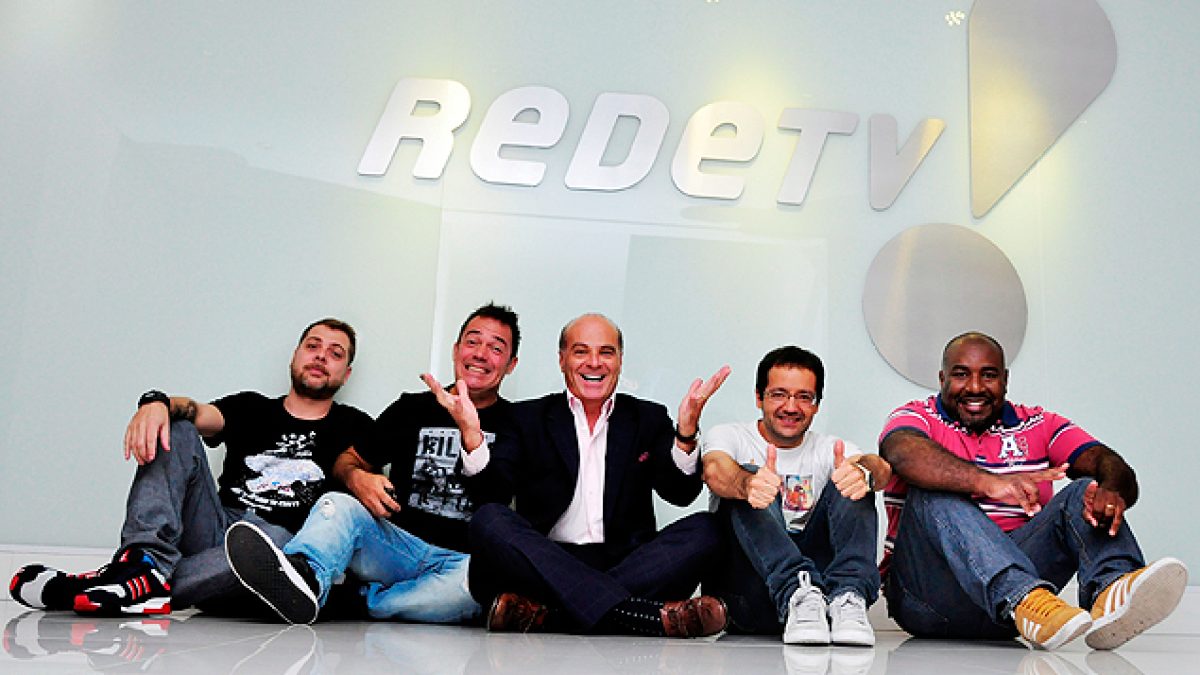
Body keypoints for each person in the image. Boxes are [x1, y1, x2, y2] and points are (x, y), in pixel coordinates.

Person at [9, 319, 373, 617]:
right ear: (295, 355)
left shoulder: (356, 426)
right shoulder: (251, 407)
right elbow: (196, 412)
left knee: (276, 545)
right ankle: (144, 562)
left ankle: (112, 586)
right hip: (217, 528)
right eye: (313, 346)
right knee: (178, 427)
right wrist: (156, 403)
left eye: (335, 353)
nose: (321, 356)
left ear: (346, 374)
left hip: (278, 549)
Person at [879, 331, 1188, 650]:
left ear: (1005, 380)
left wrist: (1111, 490)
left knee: (1084, 490)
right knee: (931, 490)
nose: (975, 387)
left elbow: (1105, 461)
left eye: (989, 375)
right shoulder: (917, 416)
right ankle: (1022, 597)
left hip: (1016, 612)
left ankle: (1112, 592)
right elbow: (902, 453)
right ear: (942, 379)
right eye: (961, 374)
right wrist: (990, 482)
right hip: (929, 602)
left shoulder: (1039, 424)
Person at [223, 303, 520, 625]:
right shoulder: (412, 408)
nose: (480, 354)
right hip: (395, 547)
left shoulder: (518, 424)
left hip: (460, 561)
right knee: (337, 503)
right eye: (472, 342)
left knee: (479, 587)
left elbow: (498, 499)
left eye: (496, 348)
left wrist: (470, 432)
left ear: (511, 365)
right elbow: (348, 461)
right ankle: (304, 578)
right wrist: (356, 478)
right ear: (456, 350)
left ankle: (357, 602)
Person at [457, 313, 731, 638]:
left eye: (606, 352)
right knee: (489, 519)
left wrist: (685, 434)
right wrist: (472, 439)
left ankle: (551, 616)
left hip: (628, 563)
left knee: (708, 528)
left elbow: (680, 493)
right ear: (562, 359)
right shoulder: (526, 417)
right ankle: (640, 615)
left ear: (620, 361)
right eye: (581, 351)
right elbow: (493, 495)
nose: (594, 362)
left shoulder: (647, 417)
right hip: (547, 561)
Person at [701, 346, 889, 646]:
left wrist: (865, 473)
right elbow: (714, 470)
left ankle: (848, 597)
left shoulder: (829, 448)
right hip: (748, 595)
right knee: (749, 475)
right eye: (779, 394)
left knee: (852, 478)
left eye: (804, 397)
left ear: (816, 405)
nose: (791, 407)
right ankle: (796, 591)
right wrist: (747, 484)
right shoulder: (730, 436)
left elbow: (879, 467)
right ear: (759, 397)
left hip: (822, 603)